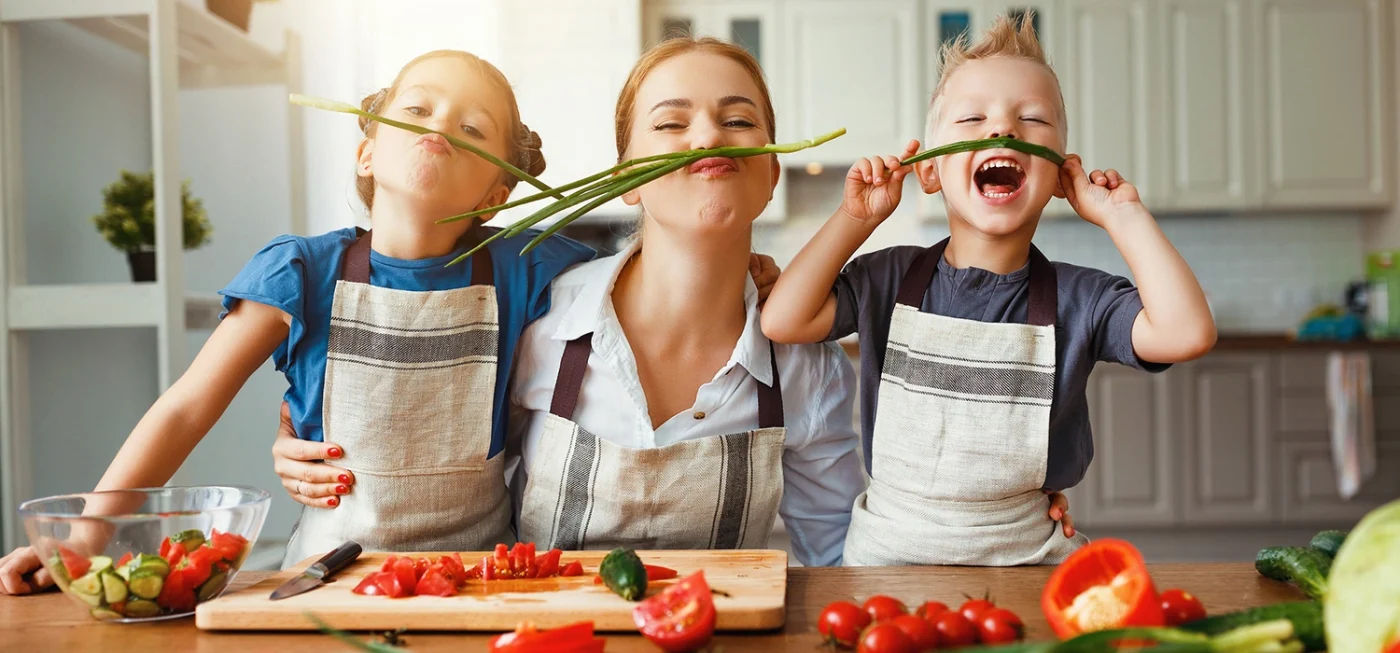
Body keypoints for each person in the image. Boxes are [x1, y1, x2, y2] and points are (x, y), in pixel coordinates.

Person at [0, 48, 599, 594]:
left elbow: (635, 279)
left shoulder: (529, 265)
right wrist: (83, 539)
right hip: (326, 577)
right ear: (367, 153)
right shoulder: (300, 271)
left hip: (478, 582)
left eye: (472, 129)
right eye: (418, 109)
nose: (439, 126)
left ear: (496, 196)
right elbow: (185, 408)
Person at [760, 14, 1216, 567]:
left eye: (1032, 118)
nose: (1002, 129)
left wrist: (1124, 217)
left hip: (1027, 562)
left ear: (1060, 176)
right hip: (886, 559)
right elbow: (783, 320)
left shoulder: (1082, 299)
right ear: (930, 171)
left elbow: (1186, 333)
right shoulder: (888, 278)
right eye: (973, 117)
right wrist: (855, 220)